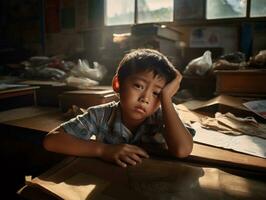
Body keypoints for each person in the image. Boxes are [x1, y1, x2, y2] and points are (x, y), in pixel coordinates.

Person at [43, 48, 194, 168]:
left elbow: (182, 150)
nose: (145, 98)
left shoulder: (162, 116)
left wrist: (166, 98)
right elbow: (51, 140)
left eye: (157, 93)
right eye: (138, 86)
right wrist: (103, 150)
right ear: (117, 84)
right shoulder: (101, 115)